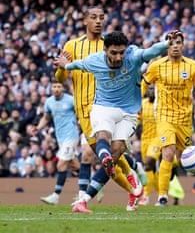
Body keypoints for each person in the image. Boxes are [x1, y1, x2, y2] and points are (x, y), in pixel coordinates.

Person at [55, 30, 174, 213]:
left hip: (129, 113)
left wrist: (166, 44)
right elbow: (74, 66)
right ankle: (88, 194)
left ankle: (88, 198)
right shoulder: (94, 60)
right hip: (104, 107)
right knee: (103, 135)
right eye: (113, 53)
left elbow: (151, 51)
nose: (118, 57)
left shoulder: (132, 56)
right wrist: (65, 65)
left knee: (116, 151)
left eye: (121, 52)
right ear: (105, 50)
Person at [54, 6, 142, 205]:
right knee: (108, 157)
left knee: (109, 155)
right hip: (84, 110)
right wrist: (60, 67)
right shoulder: (72, 46)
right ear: (85, 21)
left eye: (102, 17)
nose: (98, 21)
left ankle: (134, 187)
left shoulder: (111, 45)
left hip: (108, 108)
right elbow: (61, 76)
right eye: (93, 17)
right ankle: (135, 184)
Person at [143, 30, 195, 206]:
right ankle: (162, 196)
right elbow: (145, 83)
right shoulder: (157, 66)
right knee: (168, 152)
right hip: (164, 117)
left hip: (185, 119)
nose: (175, 46)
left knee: (181, 158)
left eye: (178, 43)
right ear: (166, 46)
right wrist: (136, 103)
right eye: (171, 43)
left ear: (183, 45)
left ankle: (171, 183)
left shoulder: (193, 66)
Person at [138, 81, 185, 206]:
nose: (152, 91)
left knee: (148, 163)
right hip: (145, 140)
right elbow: (136, 120)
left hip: (159, 138)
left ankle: (146, 196)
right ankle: (163, 194)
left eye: (155, 89)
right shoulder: (142, 104)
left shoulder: (162, 106)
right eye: (150, 88)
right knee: (150, 169)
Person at [37, 81, 80, 205]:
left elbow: (81, 114)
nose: (56, 89)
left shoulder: (71, 100)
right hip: (60, 139)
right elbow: (46, 117)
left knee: (61, 165)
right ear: (51, 89)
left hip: (71, 136)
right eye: (54, 86)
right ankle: (94, 186)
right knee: (75, 166)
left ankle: (55, 196)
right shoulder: (49, 102)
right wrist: (38, 128)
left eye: (59, 86)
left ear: (63, 89)